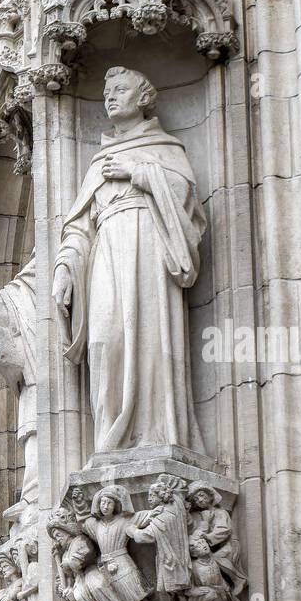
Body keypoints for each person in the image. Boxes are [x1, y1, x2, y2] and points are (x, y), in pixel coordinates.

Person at [53, 67, 206, 456]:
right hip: (106, 250)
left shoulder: (164, 149)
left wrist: (138, 173)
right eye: (106, 92)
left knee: (151, 340)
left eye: (121, 89)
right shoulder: (98, 161)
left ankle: (157, 435)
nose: (110, 97)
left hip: (149, 247)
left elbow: (186, 202)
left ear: (143, 98)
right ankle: (111, 441)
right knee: (105, 340)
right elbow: (79, 227)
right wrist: (65, 269)